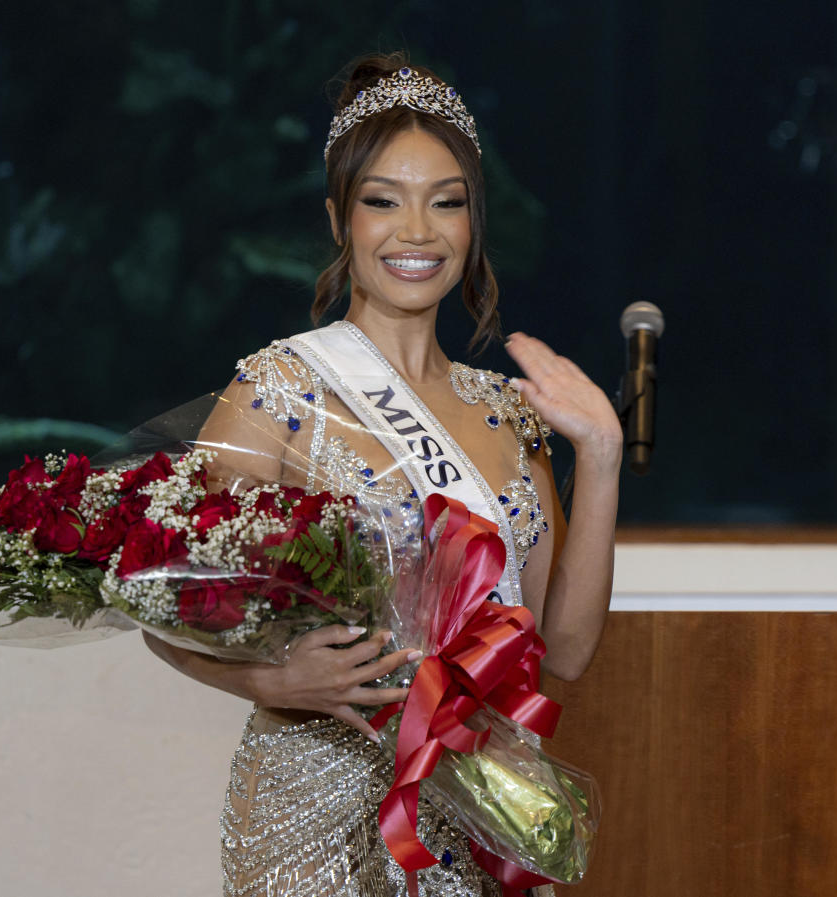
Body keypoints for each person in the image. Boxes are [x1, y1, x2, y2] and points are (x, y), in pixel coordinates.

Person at [143, 53, 621, 897]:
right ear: (339, 220)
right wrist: (271, 677)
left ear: (473, 222)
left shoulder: (510, 413)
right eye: (382, 201)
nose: (416, 231)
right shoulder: (282, 389)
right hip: (313, 808)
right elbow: (162, 605)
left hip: (481, 807)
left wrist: (603, 453)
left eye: (446, 202)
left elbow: (569, 652)